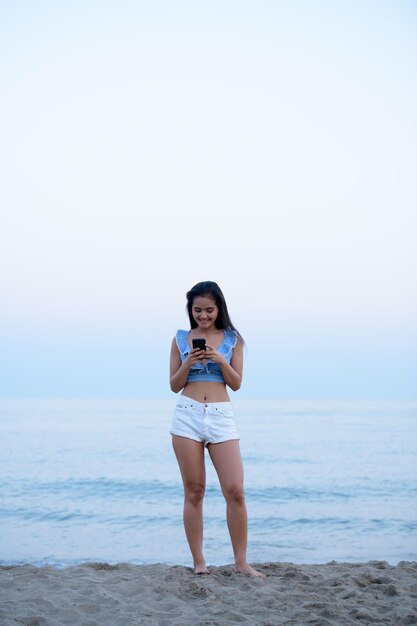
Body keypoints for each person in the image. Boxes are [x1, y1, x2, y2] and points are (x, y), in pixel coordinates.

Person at [169, 280, 264, 577]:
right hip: (187, 414)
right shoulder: (181, 338)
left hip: (221, 415)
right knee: (194, 491)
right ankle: (199, 561)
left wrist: (220, 358)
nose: (203, 316)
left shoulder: (233, 339)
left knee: (235, 490)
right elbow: (174, 385)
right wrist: (190, 362)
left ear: (219, 308)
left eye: (209, 310)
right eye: (197, 310)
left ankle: (241, 563)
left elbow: (236, 383)